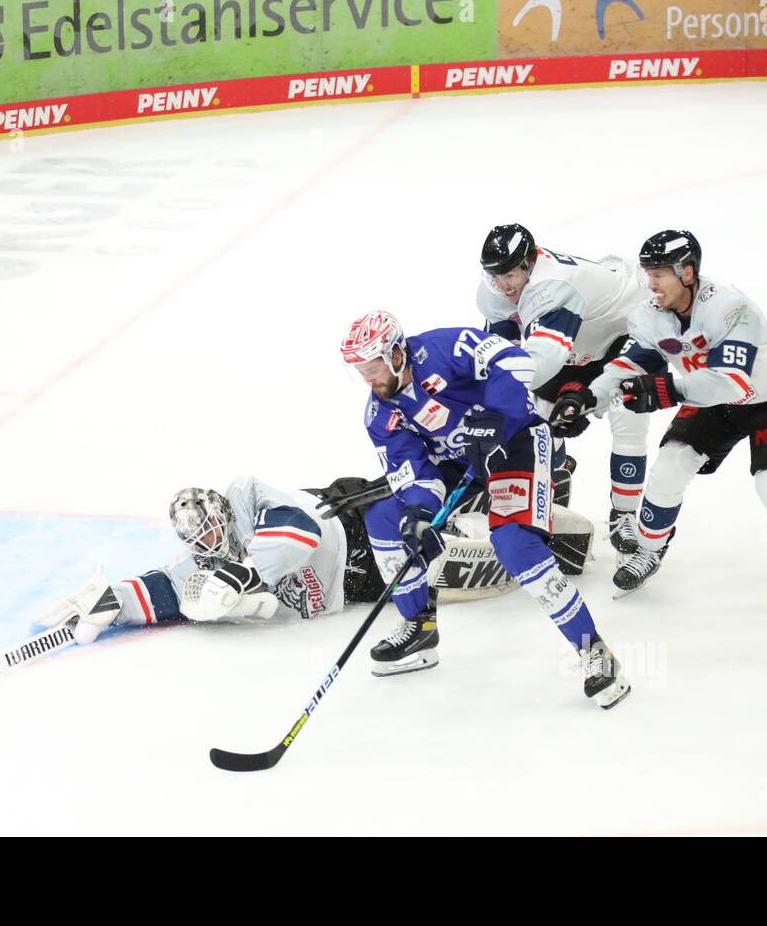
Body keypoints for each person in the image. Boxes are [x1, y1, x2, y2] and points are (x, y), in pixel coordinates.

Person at [553, 230, 767, 630]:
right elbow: (630, 365)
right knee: (671, 463)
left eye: (659, 275)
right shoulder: (651, 313)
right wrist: (588, 397)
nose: (650, 284)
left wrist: (664, 390)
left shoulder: (729, 308)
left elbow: (731, 382)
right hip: (715, 399)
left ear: (687, 273)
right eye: (647, 274)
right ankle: (650, 550)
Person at [342, 309, 630, 709]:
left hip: (515, 444)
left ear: (395, 354)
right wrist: (421, 513)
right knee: (387, 517)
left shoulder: (443, 348)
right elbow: (414, 473)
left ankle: (593, 650)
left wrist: (496, 416)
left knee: (514, 546)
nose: (367, 379)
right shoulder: (381, 414)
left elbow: (513, 360)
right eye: (359, 371)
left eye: (371, 367)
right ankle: (418, 627)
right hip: (462, 462)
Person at [35, 474, 521, 642]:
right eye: (200, 540)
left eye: (212, 527)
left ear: (222, 511)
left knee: (443, 516)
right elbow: (166, 588)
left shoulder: (248, 497)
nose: (210, 541)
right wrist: (114, 601)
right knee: (444, 575)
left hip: (355, 523)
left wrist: (244, 575)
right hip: (356, 584)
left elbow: (302, 531)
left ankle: (518, 484)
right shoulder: (201, 561)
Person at [476, 223, 651, 558]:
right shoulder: (494, 292)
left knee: (628, 413)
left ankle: (625, 514)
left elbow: (542, 359)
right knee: (539, 419)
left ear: (531, 263)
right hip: (578, 336)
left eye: (510, 274)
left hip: (624, 327)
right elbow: (501, 353)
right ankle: (553, 476)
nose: (502, 285)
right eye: (494, 276)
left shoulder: (552, 287)